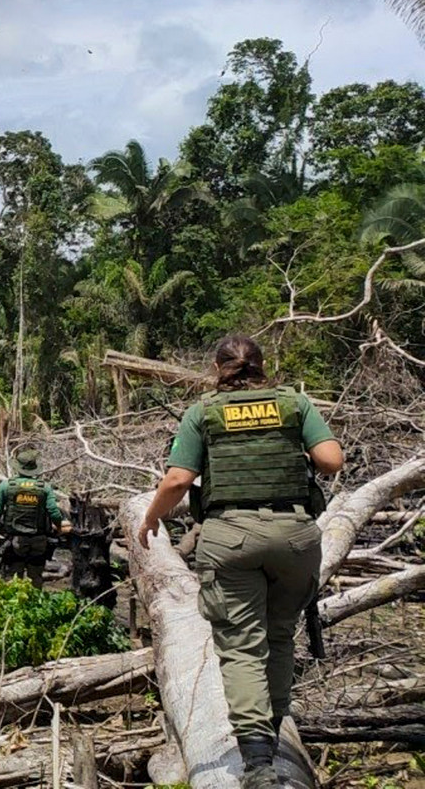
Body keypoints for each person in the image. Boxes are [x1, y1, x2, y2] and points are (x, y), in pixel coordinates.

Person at [138, 335, 344, 789]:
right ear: (261, 366)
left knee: (242, 648)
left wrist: (150, 519)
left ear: (217, 368)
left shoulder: (204, 412)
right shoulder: (293, 403)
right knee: (280, 635)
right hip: (295, 537)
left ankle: (257, 766)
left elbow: (177, 480)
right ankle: (271, 735)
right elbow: (330, 460)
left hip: (229, 538)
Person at [0, 449, 67, 588]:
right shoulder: (44, 488)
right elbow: (54, 512)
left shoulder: (6, 486)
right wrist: (59, 528)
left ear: (17, 467)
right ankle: (34, 604)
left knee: (12, 580)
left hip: (14, 541)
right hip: (39, 540)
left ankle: (13, 607)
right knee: (35, 578)